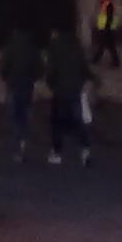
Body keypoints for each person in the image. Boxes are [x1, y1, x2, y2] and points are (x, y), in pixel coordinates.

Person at [43, 24, 93, 167]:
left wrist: (51, 84)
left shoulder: (55, 48)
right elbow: (84, 68)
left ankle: (57, 153)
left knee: (57, 123)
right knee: (79, 121)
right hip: (75, 90)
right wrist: (87, 80)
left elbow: (51, 71)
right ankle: (85, 150)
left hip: (60, 91)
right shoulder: (77, 47)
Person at [0, 26, 42, 163]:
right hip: (27, 85)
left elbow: (3, 67)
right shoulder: (33, 50)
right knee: (24, 113)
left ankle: (17, 144)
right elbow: (40, 69)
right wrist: (33, 78)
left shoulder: (10, 48)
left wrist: (6, 77)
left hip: (13, 84)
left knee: (14, 115)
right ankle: (23, 139)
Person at [91, 0, 120, 68]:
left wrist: (106, 28)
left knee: (104, 46)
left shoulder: (108, 5)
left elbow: (109, 18)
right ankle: (116, 62)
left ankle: (96, 60)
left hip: (107, 29)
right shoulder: (105, 5)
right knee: (109, 46)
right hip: (107, 29)